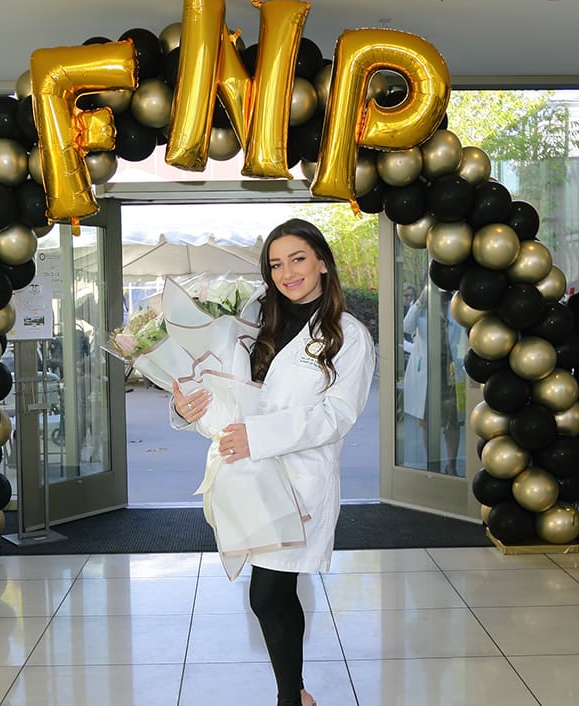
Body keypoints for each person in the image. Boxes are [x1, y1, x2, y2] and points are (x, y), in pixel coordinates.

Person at [171, 218, 376, 706]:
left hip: (300, 478)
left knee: (267, 592)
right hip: (246, 472)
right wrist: (187, 409)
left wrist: (258, 437)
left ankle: (291, 696)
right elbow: (228, 393)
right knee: (272, 591)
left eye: (298, 259)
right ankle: (295, 694)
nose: (287, 273)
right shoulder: (251, 319)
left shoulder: (347, 335)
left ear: (322, 262)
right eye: (276, 264)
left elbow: (338, 414)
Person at [402, 285, 465, 476]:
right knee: (427, 421)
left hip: (450, 374)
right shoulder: (422, 312)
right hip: (427, 376)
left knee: (451, 422)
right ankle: (433, 463)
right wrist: (420, 301)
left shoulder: (456, 312)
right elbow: (407, 326)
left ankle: (451, 466)